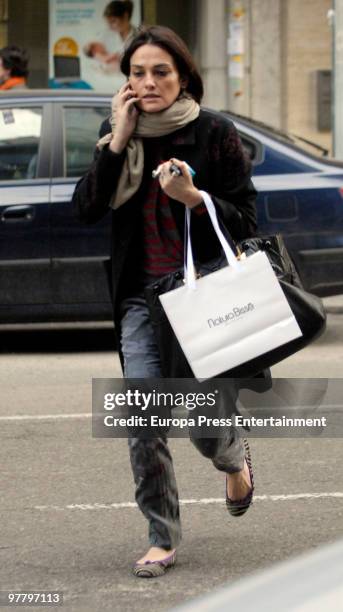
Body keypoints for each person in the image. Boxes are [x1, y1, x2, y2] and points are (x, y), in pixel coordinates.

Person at [72, 25, 257, 578]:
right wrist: (117, 141)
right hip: (139, 301)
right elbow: (86, 208)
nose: (148, 82)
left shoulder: (214, 133)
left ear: (183, 77)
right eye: (137, 73)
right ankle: (161, 534)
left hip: (203, 297)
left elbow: (247, 219)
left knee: (203, 428)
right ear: (125, 81)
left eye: (160, 72)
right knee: (143, 419)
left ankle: (232, 457)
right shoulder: (117, 130)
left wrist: (196, 199)